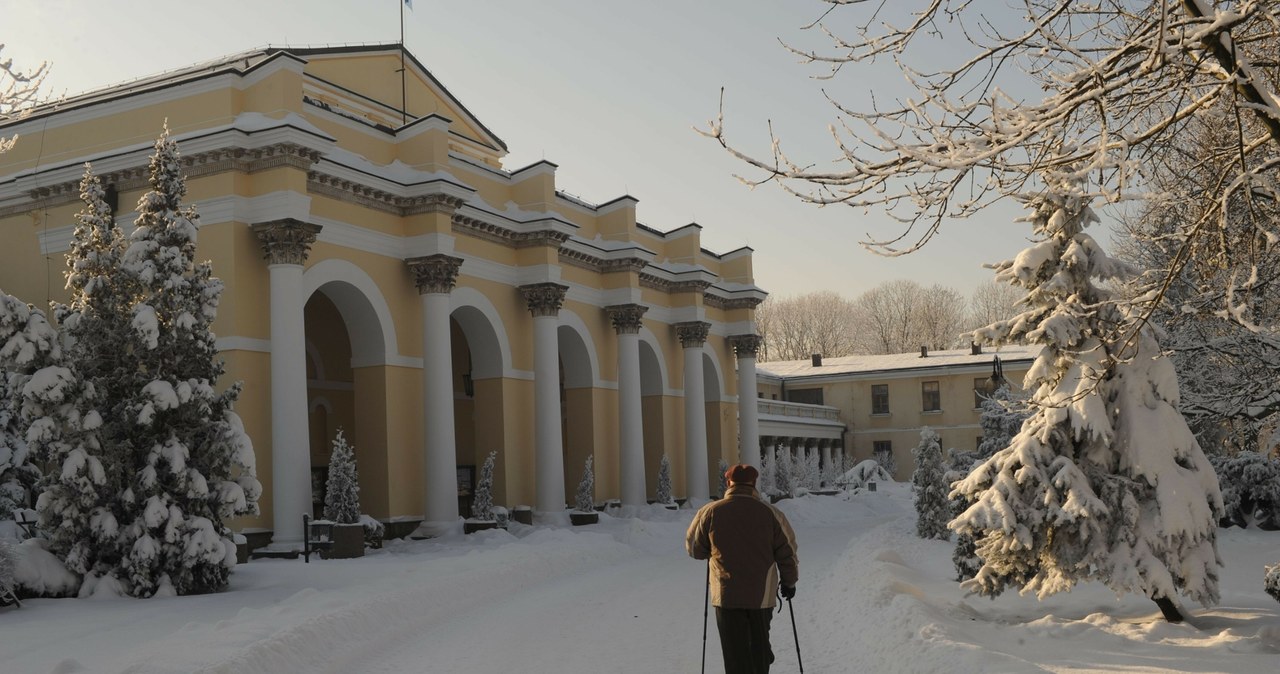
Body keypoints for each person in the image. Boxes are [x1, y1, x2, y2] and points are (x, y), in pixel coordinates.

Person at [686, 464, 799, 674]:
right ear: (754, 483)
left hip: (726, 596)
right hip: (762, 596)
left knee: (734, 654)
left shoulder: (710, 512)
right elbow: (788, 552)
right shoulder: (771, 513)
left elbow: (694, 548)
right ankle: (762, 656)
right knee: (759, 648)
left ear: (728, 483)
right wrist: (789, 582)